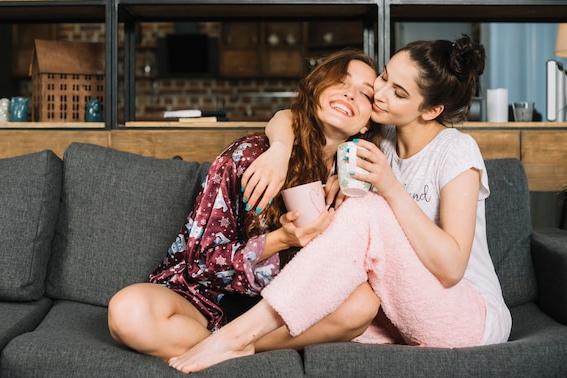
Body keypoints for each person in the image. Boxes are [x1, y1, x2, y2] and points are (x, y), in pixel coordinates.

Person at [167, 35, 512, 373]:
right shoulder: (379, 140)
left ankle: (237, 335)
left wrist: (389, 188)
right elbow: (290, 115)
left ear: (431, 110)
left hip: (466, 317)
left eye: (399, 92)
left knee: (364, 209)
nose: (380, 93)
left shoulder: (455, 150)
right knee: (352, 297)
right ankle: (238, 339)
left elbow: (452, 268)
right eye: (385, 77)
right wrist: (281, 148)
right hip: (405, 312)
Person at [107, 49, 381, 360]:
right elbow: (201, 264)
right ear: (316, 88)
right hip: (204, 300)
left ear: (366, 124)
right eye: (341, 81)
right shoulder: (251, 156)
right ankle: (234, 344)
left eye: (365, 93)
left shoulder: (355, 179)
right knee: (127, 312)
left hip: (278, 315)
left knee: (363, 304)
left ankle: (237, 344)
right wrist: (281, 240)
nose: (350, 93)